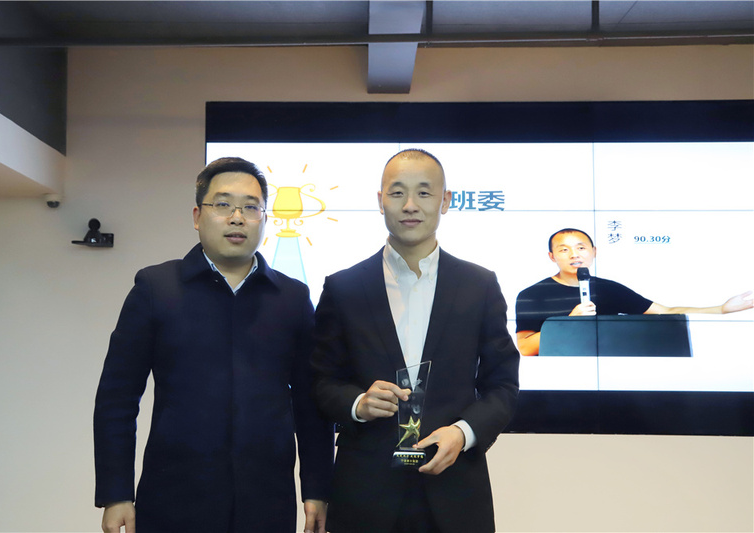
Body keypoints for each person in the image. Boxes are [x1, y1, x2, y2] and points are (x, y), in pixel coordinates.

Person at [93, 157, 334, 533]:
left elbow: (310, 403)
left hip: (267, 501)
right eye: (223, 204)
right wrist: (116, 494)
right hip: (173, 499)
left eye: (251, 207)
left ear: (264, 219)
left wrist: (317, 489)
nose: (237, 218)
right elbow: (117, 399)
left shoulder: (291, 297)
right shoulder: (156, 288)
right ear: (197, 216)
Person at [311, 149, 520, 533]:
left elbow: (503, 385)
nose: (410, 205)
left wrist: (463, 432)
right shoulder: (344, 288)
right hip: (364, 491)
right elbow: (322, 381)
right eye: (397, 193)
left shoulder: (479, 285)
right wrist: (358, 403)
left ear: (446, 200)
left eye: (424, 192)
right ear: (380, 201)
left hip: (455, 488)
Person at [515, 227, 754, 356]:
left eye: (581, 248)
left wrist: (721, 309)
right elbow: (525, 348)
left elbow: (665, 312)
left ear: (594, 252)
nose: (574, 254)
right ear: (552, 256)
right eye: (564, 249)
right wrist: (567, 323)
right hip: (560, 379)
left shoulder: (609, 289)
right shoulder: (532, 294)